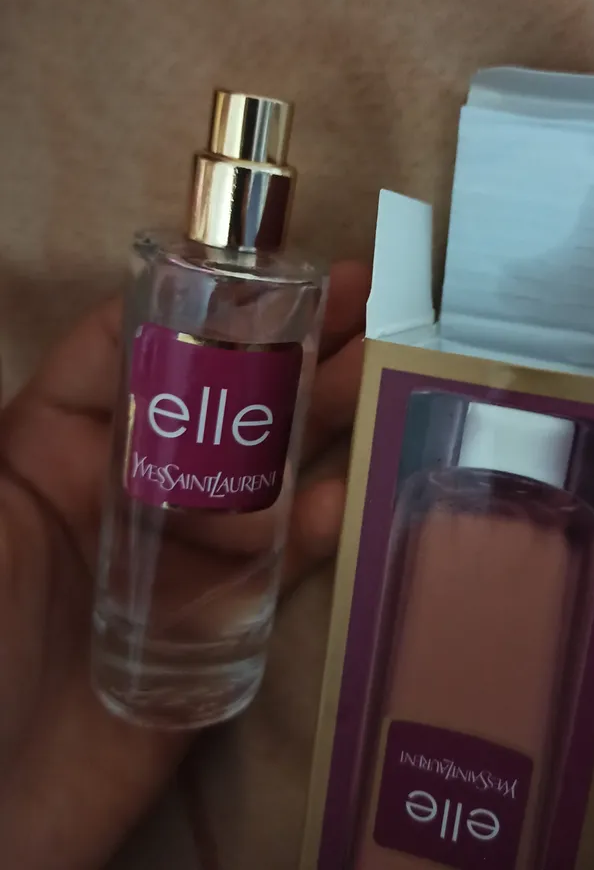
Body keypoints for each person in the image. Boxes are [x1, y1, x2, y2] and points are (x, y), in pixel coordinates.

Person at [0, 259, 369, 869]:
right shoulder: (162, 266)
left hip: (203, 663)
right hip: (99, 648)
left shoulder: (292, 285)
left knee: (266, 455)